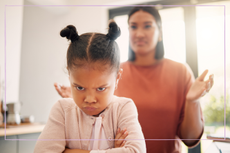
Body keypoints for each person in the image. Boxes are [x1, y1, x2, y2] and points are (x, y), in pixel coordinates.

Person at [54, 6, 214, 153]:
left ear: (160, 33)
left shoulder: (180, 72)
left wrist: (192, 101)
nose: (139, 33)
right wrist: (78, 104)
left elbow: (190, 139)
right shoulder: (108, 74)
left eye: (147, 26)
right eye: (133, 26)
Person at [34, 21, 146, 153]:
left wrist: (67, 151)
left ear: (117, 78)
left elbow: (136, 151)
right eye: (80, 88)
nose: (90, 99)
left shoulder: (124, 108)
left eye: (100, 88)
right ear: (69, 76)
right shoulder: (62, 110)